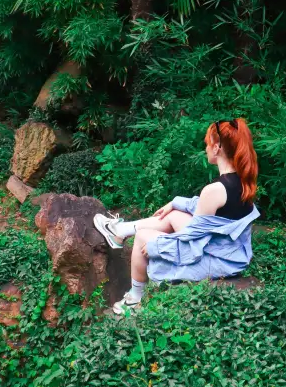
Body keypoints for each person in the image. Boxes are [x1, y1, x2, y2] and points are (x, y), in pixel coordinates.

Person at [93, 118, 260, 315]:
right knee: (174, 214)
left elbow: (192, 240)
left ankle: (134, 299)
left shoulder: (214, 190)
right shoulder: (243, 179)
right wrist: (175, 203)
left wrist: (157, 246)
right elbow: (206, 213)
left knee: (142, 238)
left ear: (216, 148)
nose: (205, 148)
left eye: (207, 143)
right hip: (223, 245)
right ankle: (119, 231)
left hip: (218, 256)